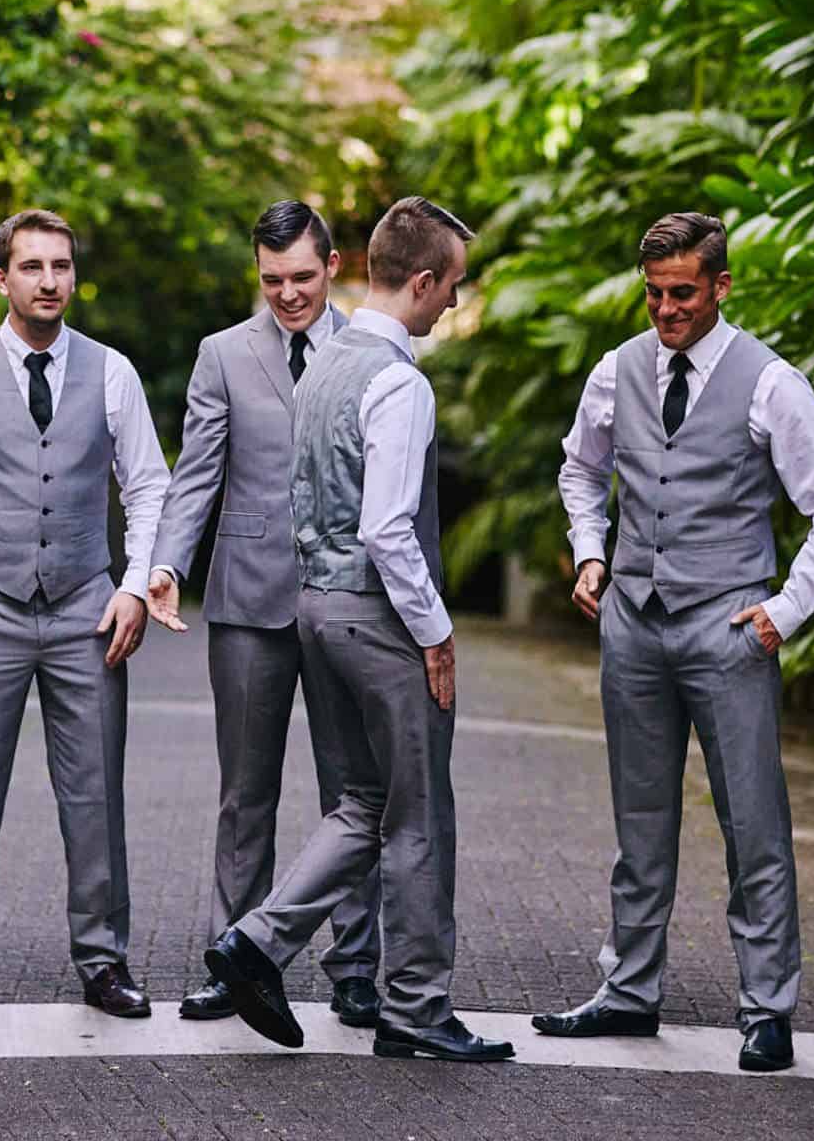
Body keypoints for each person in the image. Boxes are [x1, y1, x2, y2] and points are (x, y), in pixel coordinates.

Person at [533, 212, 814, 1072]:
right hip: (634, 627)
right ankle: (629, 990)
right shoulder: (618, 370)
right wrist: (592, 551)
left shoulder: (771, 383)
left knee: (753, 821)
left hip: (729, 628)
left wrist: (783, 611)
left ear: (721, 286)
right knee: (638, 820)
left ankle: (767, 1008)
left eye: (683, 292)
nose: (666, 310)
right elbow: (580, 467)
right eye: (654, 293)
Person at [202, 196, 514, 1064]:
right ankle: (416, 1006)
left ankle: (255, 941)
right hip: (380, 621)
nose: (452, 302)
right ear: (421, 281)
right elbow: (388, 528)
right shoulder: (396, 381)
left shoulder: (323, 364)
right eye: (450, 286)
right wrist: (437, 633)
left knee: (361, 805)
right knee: (419, 816)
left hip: (311, 609)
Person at [0, 209, 170, 1024]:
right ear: (1, 277)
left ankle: (103, 961)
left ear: (74, 277)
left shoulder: (112, 373)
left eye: (62, 267)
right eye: (33, 266)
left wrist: (132, 584)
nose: (50, 281)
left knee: (95, 793)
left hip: (87, 604)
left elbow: (148, 485)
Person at [145, 200, 382, 1027]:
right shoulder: (222, 355)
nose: (288, 295)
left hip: (348, 601)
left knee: (352, 791)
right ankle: (236, 957)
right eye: (272, 280)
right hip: (248, 602)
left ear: (335, 265)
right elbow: (196, 474)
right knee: (245, 793)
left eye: (303, 278)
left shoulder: (373, 349)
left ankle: (356, 966)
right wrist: (168, 563)